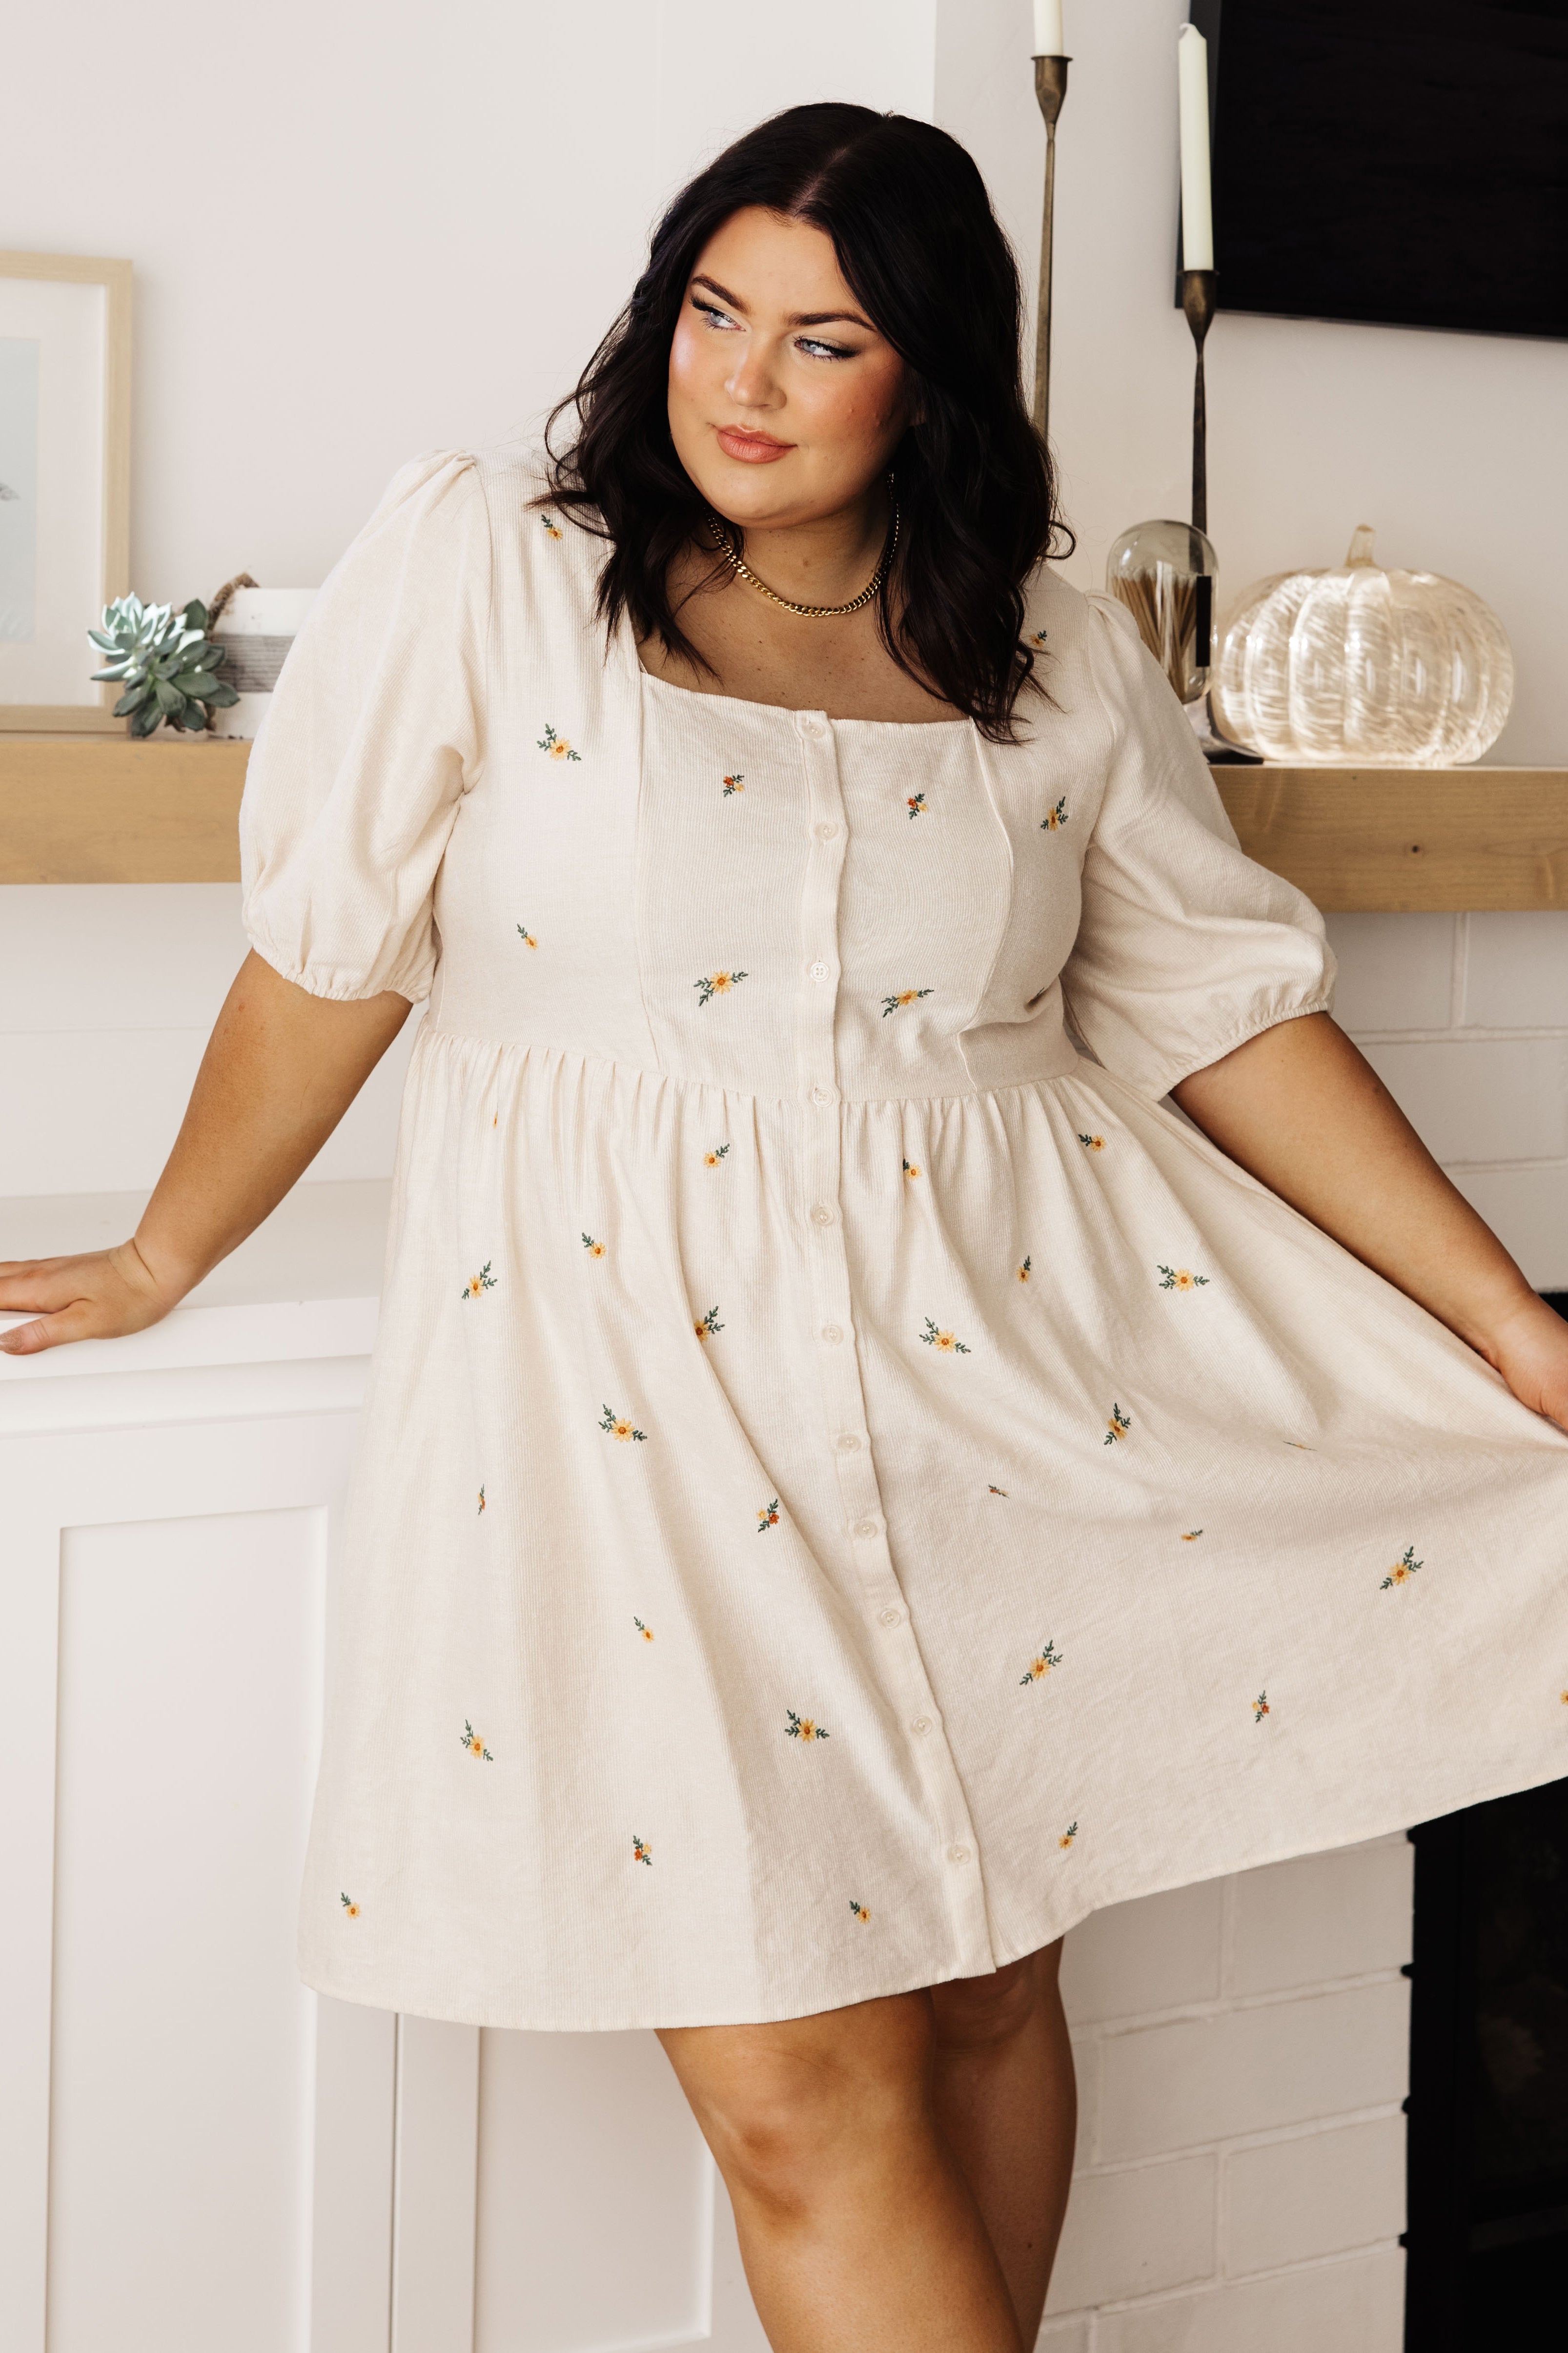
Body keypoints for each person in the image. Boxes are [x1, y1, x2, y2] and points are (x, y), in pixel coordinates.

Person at [4, 102, 1567, 2353]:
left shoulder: (1046, 649)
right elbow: (328, 956)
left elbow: (1223, 1007)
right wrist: (168, 1254)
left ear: (929, 378)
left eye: (821, 341)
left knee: (989, 1990)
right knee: (799, 2095)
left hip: (1006, 1391)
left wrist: (1502, 1317)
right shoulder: (497, 574)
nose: (740, 382)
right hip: (627, 1422)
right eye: (714, 312)